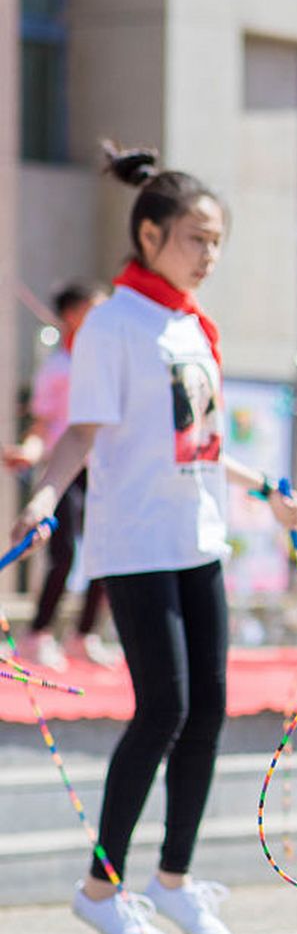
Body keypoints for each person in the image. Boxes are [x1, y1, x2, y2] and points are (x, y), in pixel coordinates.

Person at [9, 143, 297, 934]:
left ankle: (172, 881)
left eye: (216, 242)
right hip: (136, 539)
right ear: (148, 236)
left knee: (207, 708)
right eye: (194, 239)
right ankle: (102, 886)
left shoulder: (189, 326)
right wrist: (38, 498)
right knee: (165, 706)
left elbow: (194, 441)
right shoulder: (114, 323)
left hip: (197, 534)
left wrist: (262, 486)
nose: (208, 255)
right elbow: (84, 432)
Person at [5, 282, 114, 671]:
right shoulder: (57, 368)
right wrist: (29, 453)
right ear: (72, 314)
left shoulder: (107, 363)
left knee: (105, 552)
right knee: (63, 552)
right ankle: (38, 634)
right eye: (94, 309)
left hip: (101, 468)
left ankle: (84, 635)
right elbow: (42, 425)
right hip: (63, 470)